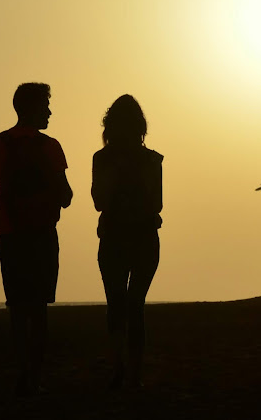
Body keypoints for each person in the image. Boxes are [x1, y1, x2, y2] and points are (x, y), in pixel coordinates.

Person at [0, 82, 73, 396]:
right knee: (39, 309)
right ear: (31, 108)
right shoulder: (50, 146)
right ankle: (35, 377)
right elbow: (67, 197)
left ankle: (21, 372)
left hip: (10, 237)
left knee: (17, 309)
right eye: (45, 106)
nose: (49, 112)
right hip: (43, 235)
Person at [91, 94, 163, 389]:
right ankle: (132, 369)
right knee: (134, 305)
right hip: (142, 236)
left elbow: (99, 201)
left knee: (118, 304)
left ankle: (120, 365)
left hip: (117, 237)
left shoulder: (103, 158)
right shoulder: (152, 159)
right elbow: (156, 204)